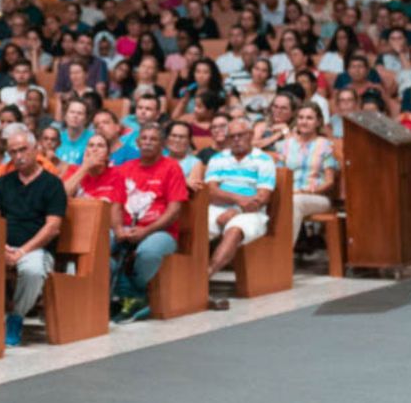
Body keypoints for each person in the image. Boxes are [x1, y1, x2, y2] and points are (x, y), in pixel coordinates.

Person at [0, 123, 67, 348]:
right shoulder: (3, 183)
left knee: (32, 269)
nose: (19, 156)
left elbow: (52, 227)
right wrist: (1, 247)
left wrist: (22, 251)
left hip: (36, 248)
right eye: (13, 152)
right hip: (4, 246)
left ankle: (16, 317)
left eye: (23, 150)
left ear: (35, 149)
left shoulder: (52, 184)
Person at [109, 123, 188, 323]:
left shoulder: (171, 167)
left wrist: (146, 231)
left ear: (162, 144)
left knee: (148, 253)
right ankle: (127, 294)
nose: (147, 143)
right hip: (125, 227)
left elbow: (175, 210)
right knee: (99, 246)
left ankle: (135, 295)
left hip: (160, 230)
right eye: (144, 138)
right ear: (137, 142)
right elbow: (116, 205)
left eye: (153, 139)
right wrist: (118, 229)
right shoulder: (124, 169)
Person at [201, 120, 277, 310]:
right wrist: (238, 199)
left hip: (251, 212)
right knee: (196, 226)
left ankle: (201, 280)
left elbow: (262, 197)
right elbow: (210, 191)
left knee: (235, 229)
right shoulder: (218, 159)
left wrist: (237, 209)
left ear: (251, 135)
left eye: (240, 135)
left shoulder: (264, 160)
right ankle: (182, 279)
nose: (236, 140)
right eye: (231, 136)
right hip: (218, 207)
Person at [275, 104, 338, 244]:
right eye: (301, 117)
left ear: (318, 122)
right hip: (289, 195)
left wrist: (307, 190)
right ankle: (265, 254)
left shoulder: (325, 145)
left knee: (295, 202)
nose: (304, 121)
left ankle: (282, 254)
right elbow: (279, 174)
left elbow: (329, 181)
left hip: (316, 197)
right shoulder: (286, 145)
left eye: (309, 118)